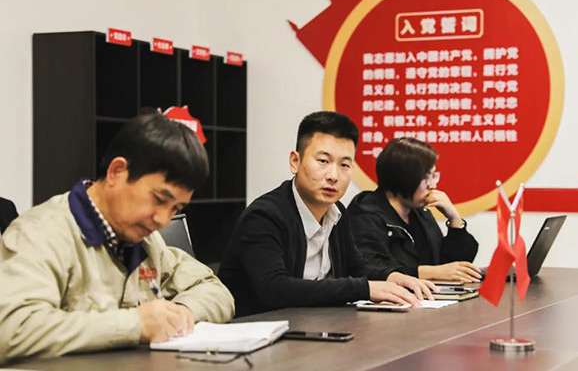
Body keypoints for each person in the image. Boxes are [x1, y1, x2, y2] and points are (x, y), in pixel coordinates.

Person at [0, 113, 234, 363]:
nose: (163, 220)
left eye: (175, 209)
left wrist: (181, 312)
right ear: (117, 172)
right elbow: (12, 329)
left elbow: (215, 290)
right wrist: (136, 324)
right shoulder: (41, 233)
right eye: (158, 199)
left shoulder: (147, 241)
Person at [218, 111, 437, 317]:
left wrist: (392, 277)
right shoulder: (263, 216)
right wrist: (364, 289)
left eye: (344, 165)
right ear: (295, 162)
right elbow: (274, 288)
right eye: (323, 161)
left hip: (314, 326)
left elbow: (357, 268)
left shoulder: (336, 211)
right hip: (261, 331)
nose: (333, 175)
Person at [348, 137, 481, 283]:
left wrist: (454, 219)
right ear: (403, 178)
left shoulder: (420, 214)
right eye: (426, 177)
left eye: (434, 176)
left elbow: (453, 268)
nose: (432, 185)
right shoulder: (366, 216)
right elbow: (372, 270)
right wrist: (432, 272)